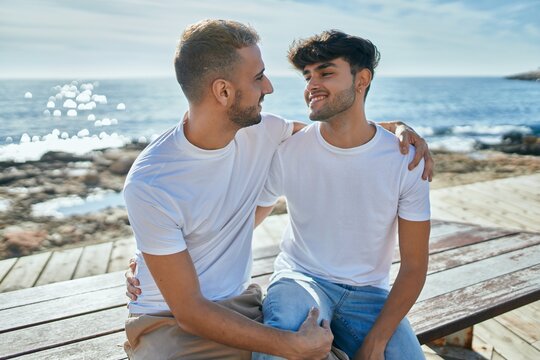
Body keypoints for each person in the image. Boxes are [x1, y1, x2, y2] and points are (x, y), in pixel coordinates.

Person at [123, 19, 432, 360]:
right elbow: (190, 311)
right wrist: (155, 257)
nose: (269, 87)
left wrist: (400, 129)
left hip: (246, 304)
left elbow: (345, 132)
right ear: (224, 92)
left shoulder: (265, 132)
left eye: (324, 73)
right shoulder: (152, 182)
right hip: (173, 321)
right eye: (258, 78)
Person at [253, 31, 430, 360]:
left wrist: (375, 343)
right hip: (300, 278)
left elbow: (415, 265)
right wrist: (158, 259)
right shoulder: (290, 150)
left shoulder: (406, 159)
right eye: (308, 76)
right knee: (282, 343)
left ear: (362, 79)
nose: (311, 85)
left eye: (326, 72)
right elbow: (245, 222)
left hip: (370, 294)